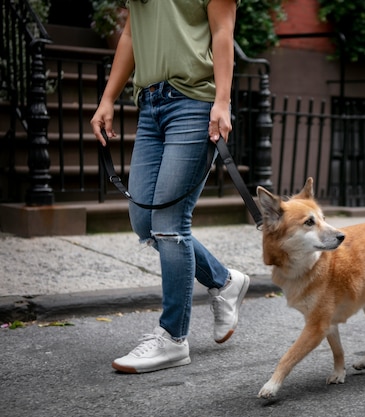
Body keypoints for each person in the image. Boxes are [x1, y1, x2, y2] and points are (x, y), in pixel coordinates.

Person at [90, 0, 249, 374]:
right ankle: (223, 281)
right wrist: (108, 98)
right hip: (151, 105)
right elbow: (131, 33)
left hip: (195, 103)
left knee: (169, 223)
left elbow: (223, 32)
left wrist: (222, 102)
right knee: (143, 220)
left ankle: (173, 337)